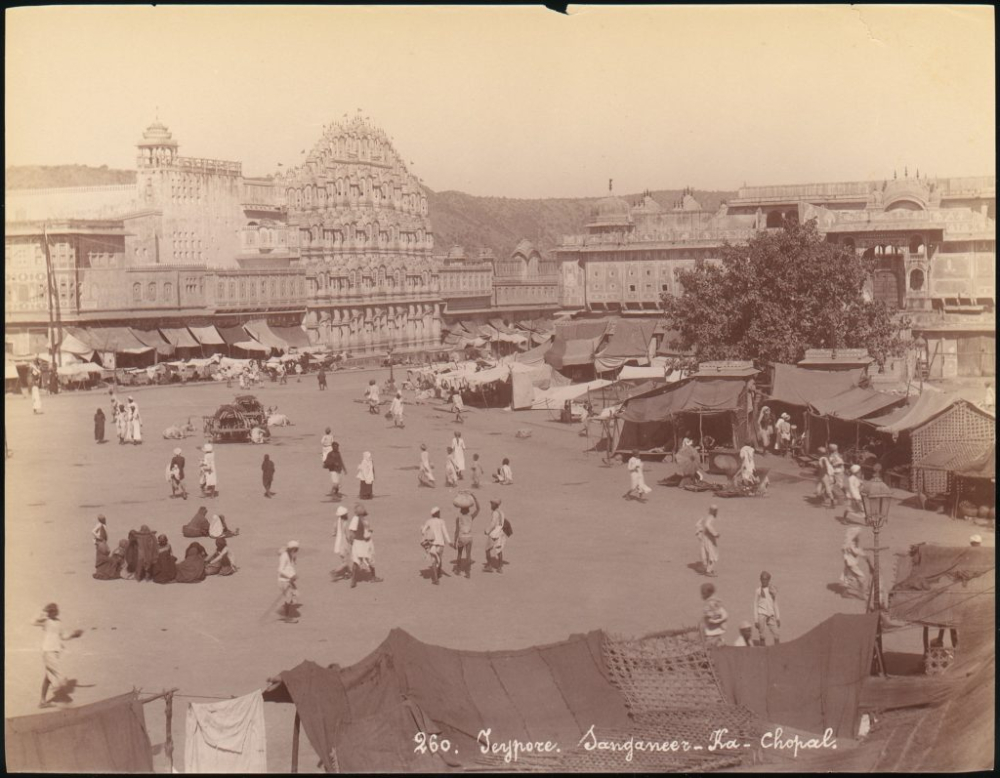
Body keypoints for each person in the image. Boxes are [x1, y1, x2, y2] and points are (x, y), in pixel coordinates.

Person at [34, 604, 83, 707]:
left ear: (56, 612)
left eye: (54, 611)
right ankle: (66, 701)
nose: (52, 612)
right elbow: (33, 622)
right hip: (47, 651)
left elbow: (63, 636)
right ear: (48, 612)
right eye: (50, 611)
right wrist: (43, 612)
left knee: (48, 677)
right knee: (60, 676)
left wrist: (73, 635)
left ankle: (42, 702)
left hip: (56, 652)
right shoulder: (46, 621)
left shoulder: (59, 622)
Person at [348, 505, 381, 588]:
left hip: (363, 542)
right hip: (361, 542)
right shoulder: (356, 519)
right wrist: (351, 541)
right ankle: (371, 577)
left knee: (363, 560)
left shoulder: (361, 519)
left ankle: (354, 580)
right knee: (365, 560)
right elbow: (352, 532)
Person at [453, 492, 480, 579]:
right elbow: (478, 509)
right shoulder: (471, 517)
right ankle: (468, 572)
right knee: (468, 555)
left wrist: (454, 541)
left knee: (459, 554)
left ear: (461, 510)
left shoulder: (458, 518)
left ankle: (458, 570)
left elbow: (456, 531)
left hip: (461, 537)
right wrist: (475, 497)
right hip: (469, 537)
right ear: (468, 510)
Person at [421, 507, 451, 585]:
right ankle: (438, 573)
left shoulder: (428, 521)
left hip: (432, 544)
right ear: (438, 513)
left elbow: (423, 531)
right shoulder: (441, 521)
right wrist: (450, 542)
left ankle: (435, 579)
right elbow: (445, 533)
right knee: (440, 559)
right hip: (441, 543)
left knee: (433, 561)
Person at [753, 571, 781, 645]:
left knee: (776, 634)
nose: (764, 581)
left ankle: (777, 650)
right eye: (762, 579)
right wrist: (756, 620)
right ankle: (762, 651)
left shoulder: (772, 590)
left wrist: (778, 618)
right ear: (760, 579)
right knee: (762, 635)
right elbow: (755, 605)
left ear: (768, 580)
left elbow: (775, 604)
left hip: (771, 614)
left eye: (765, 579)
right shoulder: (758, 591)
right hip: (761, 614)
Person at [840, 527, 867, 599]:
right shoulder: (851, 544)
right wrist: (865, 555)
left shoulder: (848, 543)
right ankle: (862, 594)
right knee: (861, 577)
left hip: (849, 562)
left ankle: (844, 593)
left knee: (847, 576)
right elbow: (856, 552)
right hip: (851, 563)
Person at [700, 583, 728, 648]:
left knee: (710, 638)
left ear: (709, 593)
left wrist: (710, 615)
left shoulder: (711, 602)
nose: (702, 595)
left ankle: (717, 643)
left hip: (712, 625)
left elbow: (716, 612)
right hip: (712, 624)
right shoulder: (715, 601)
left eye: (703, 593)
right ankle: (718, 642)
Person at [695, 505, 720, 576]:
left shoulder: (705, 516)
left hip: (704, 537)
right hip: (709, 538)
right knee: (712, 553)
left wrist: (700, 532)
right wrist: (715, 533)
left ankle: (706, 569)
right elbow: (707, 525)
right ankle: (708, 571)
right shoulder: (711, 517)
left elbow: (697, 524)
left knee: (705, 552)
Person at [278, 541, 300, 622]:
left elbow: (290, 567)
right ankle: (287, 617)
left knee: (296, 595)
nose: (297, 552)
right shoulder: (284, 556)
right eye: (296, 550)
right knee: (289, 598)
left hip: (289, 581)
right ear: (292, 549)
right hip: (284, 581)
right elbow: (280, 569)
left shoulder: (291, 555)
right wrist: (291, 576)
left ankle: (285, 609)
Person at [484, 498, 507, 573]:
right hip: (500, 533)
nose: (491, 505)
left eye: (492, 504)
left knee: (487, 549)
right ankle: (500, 568)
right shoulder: (502, 512)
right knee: (499, 550)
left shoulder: (495, 513)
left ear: (495, 505)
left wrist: (487, 530)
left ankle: (489, 566)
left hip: (494, 533)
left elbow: (493, 524)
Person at [332, 506, 352, 580]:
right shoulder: (346, 524)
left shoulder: (337, 522)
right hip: (345, 544)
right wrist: (351, 542)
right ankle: (335, 571)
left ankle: (347, 573)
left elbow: (334, 532)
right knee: (346, 562)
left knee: (343, 560)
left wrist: (335, 533)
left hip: (338, 543)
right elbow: (347, 535)